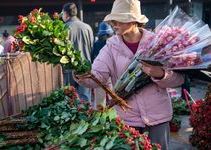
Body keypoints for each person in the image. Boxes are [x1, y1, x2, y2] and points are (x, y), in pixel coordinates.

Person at [74, 0, 184, 149]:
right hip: (127, 119)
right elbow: (98, 77)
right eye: (113, 20)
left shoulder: (158, 43)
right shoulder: (110, 48)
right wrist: (81, 75)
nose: (114, 24)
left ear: (134, 21)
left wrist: (160, 74)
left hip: (157, 117)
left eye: (119, 20)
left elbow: (178, 79)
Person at [61, 2, 94, 102]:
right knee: (85, 99)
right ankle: (86, 117)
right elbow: (91, 48)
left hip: (68, 69)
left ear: (66, 14)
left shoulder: (63, 28)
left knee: (69, 99)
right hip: (85, 68)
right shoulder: (87, 27)